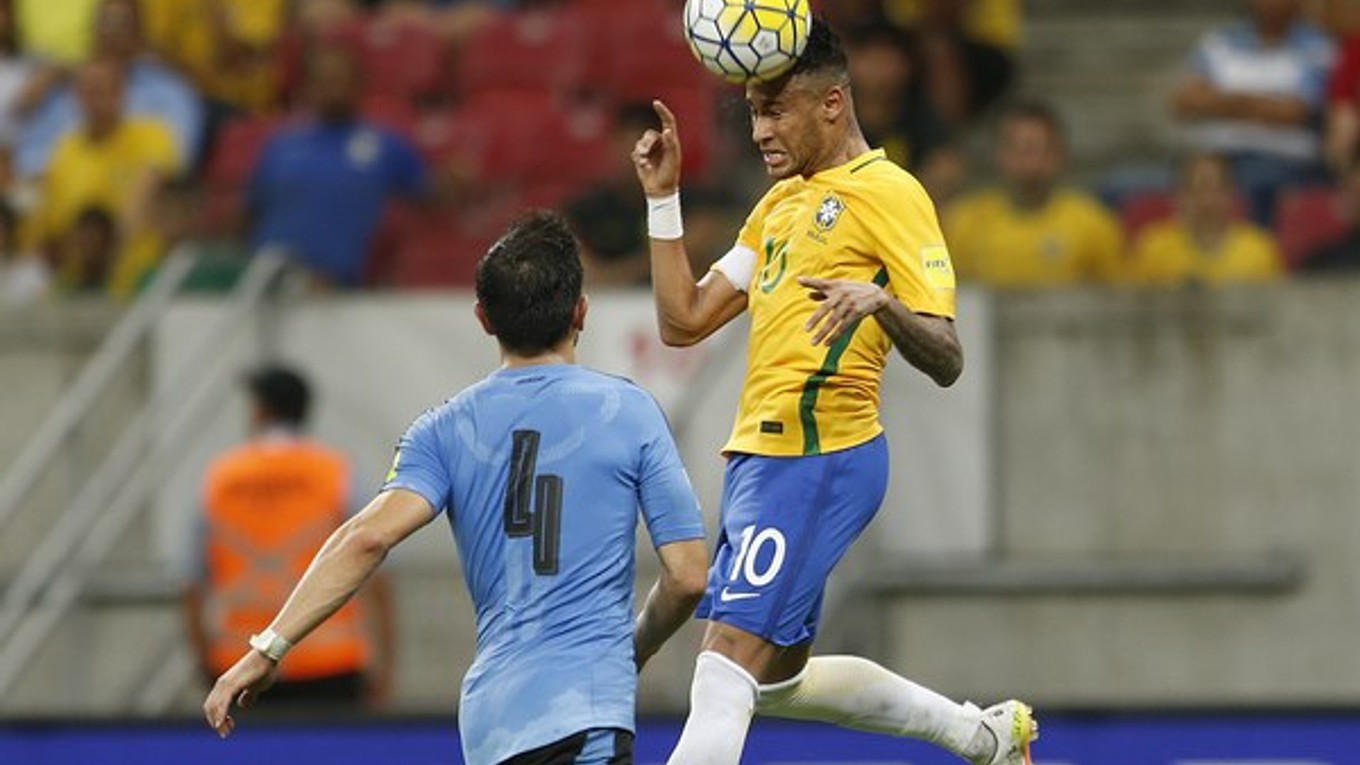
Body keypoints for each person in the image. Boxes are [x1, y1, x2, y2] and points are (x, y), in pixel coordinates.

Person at [631, 18, 1036, 765]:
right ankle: (983, 734)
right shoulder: (779, 206)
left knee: (722, 669)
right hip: (757, 460)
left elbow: (947, 355)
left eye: (775, 107)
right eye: (752, 110)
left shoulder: (890, 193)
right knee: (775, 681)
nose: (759, 130)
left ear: (832, 104)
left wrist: (883, 304)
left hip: (823, 456)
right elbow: (683, 320)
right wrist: (665, 200)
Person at [203, 212, 711, 765]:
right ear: (580, 311)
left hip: (492, 724)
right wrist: (633, 648)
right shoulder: (629, 410)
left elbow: (365, 539)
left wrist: (268, 647)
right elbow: (686, 577)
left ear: (483, 319)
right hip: (583, 713)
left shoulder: (443, 429)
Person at [186, 364, 395, 707]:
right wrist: (385, 665)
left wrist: (202, 660)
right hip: (331, 664)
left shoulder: (220, 478)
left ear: (259, 410)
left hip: (238, 665)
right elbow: (376, 566)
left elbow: (191, 581)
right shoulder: (336, 473)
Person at [246, 46, 427, 288]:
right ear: (307, 88)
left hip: (342, 291)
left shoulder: (384, 146)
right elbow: (251, 212)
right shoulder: (281, 145)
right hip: (270, 283)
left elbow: (431, 194)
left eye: (340, 81)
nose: (333, 90)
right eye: (323, 82)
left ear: (359, 86)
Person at [1171, 0, 1333, 225]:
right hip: (1217, 156)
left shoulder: (1318, 47)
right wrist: (1264, 103)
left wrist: (1221, 100)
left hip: (1286, 162)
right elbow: (1184, 102)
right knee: (1126, 187)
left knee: (1254, 184)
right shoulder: (1220, 42)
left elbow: (1294, 113)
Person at [945, 99, 1123, 288]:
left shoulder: (1094, 223)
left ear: (1060, 156)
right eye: (1018, 149)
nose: (1029, 163)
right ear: (999, 155)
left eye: (1040, 149)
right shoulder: (963, 222)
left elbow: (1116, 295)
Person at [1126, 152, 1284, 286]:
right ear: (1179, 197)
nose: (1207, 200)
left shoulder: (1259, 249)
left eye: (1217, 189)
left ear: (1232, 194)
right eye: (1197, 189)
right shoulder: (1154, 246)